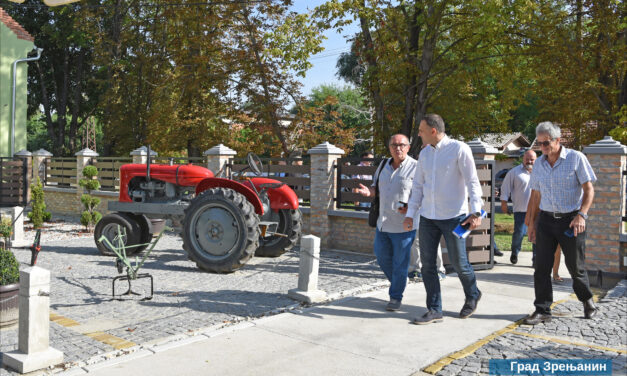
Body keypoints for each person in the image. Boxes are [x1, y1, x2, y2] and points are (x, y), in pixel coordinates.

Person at [403, 114, 483, 324]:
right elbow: (418, 186)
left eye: (421, 130)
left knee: (459, 263)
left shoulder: (459, 149)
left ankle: (473, 294)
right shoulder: (424, 153)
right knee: (427, 265)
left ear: (433, 131)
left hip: (455, 217)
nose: (418, 134)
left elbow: (473, 182)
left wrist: (476, 212)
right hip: (428, 217)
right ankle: (434, 309)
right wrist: (411, 214)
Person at [523, 122, 597, 325]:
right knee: (541, 267)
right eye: (539, 144)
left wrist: (582, 215)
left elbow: (589, 189)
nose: (543, 148)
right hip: (546, 220)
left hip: (571, 221)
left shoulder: (575, 158)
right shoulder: (539, 163)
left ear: (558, 140)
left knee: (575, 267)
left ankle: (587, 300)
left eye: (546, 143)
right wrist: (531, 223)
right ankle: (542, 309)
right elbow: (535, 195)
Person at [356, 134, 417, 312]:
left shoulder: (417, 167)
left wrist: (411, 208)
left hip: (405, 224)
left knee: (400, 262)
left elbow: (423, 195)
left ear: (408, 147)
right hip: (383, 222)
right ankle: (400, 281)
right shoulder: (383, 165)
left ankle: (395, 296)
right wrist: (370, 192)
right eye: (394, 145)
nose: (398, 148)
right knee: (382, 257)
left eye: (402, 145)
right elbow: (377, 188)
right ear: (389, 147)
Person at [500, 150, 537, 265]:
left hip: (537, 211)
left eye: (532, 159)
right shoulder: (514, 172)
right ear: (523, 159)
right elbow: (505, 188)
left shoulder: (541, 172)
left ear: (536, 160)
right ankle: (515, 252)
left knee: (536, 235)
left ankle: (535, 259)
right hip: (521, 210)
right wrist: (504, 204)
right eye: (527, 159)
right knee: (519, 234)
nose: (529, 161)